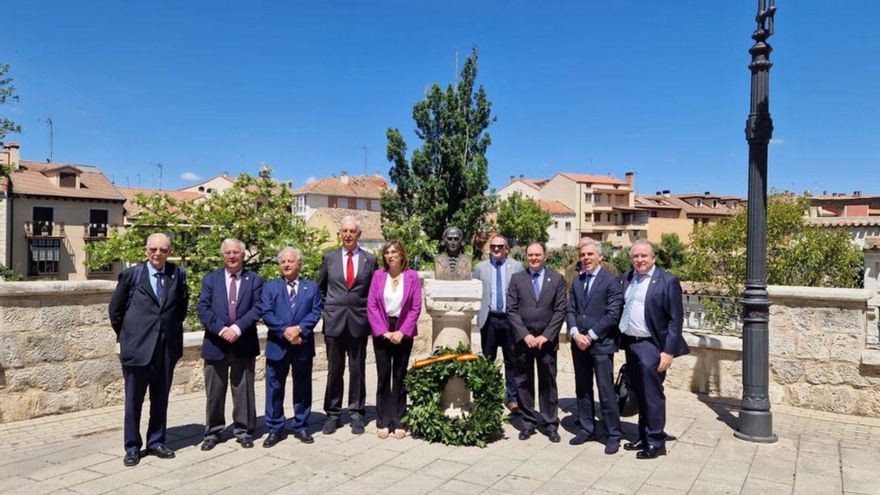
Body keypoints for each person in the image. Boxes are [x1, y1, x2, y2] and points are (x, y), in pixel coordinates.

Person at [108, 233, 189, 467]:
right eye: (153, 249)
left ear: (169, 252)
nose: (158, 254)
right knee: (133, 400)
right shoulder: (132, 275)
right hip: (137, 348)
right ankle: (132, 446)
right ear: (146, 250)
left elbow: (181, 309)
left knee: (160, 398)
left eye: (163, 250)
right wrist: (129, 337)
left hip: (165, 349)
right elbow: (116, 312)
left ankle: (156, 441)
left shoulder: (178, 274)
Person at [619, 239, 689, 459]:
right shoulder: (628, 278)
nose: (639, 260)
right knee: (638, 393)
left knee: (652, 395)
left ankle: (656, 441)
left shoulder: (667, 281)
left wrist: (668, 352)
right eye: (635, 257)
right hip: (631, 344)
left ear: (653, 258)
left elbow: (675, 320)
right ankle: (643, 436)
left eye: (643, 256)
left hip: (652, 346)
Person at [197, 238, 263, 451]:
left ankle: (243, 430)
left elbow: (257, 307)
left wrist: (237, 329)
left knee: (243, 389)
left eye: (236, 253)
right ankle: (213, 432)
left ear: (243, 256)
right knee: (214, 391)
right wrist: (221, 329)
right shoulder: (211, 280)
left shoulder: (253, 280)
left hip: (243, 342)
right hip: (216, 343)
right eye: (228, 253)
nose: (232, 256)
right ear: (222, 256)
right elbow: (203, 309)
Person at [317, 216, 377, 434]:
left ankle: (356, 413)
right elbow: (320, 289)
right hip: (334, 322)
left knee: (357, 369)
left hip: (359, 322)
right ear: (340, 234)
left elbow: (374, 292)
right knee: (334, 370)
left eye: (352, 231)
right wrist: (327, 310)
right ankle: (333, 413)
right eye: (345, 231)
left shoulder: (370, 260)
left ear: (359, 234)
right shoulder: (329, 258)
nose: (348, 235)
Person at [261, 247, 323, 447]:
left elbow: (315, 312)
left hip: (302, 345)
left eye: (290, 261)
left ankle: (301, 424)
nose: (286, 265)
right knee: (274, 387)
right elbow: (267, 313)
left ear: (299, 264)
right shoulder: (270, 287)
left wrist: (300, 329)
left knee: (303, 387)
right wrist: (286, 332)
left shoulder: (311, 287)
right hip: (278, 345)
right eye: (283, 262)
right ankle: (274, 428)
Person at [565, 240, 624, 453]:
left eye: (590, 254)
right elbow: (570, 309)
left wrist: (589, 335)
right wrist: (574, 333)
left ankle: (613, 434)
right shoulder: (578, 280)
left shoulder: (610, 282)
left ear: (600, 257)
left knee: (605, 390)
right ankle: (587, 428)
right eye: (583, 255)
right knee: (582, 388)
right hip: (579, 345)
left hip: (601, 345)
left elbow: (613, 314)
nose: (586, 258)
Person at [507, 242, 567, 442]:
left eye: (537, 255)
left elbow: (560, 309)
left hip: (546, 342)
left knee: (548, 382)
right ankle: (527, 422)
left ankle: (550, 423)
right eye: (530, 255)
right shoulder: (517, 279)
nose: (534, 258)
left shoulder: (557, 279)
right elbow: (512, 309)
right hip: (523, 341)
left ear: (545, 256)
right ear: (526, 256)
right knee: (523, 382)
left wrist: (546, 335)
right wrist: (525, 335)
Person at [366, 241, 422, 439]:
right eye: (387, 252)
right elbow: (371, 305)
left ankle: (399, 420)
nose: (390, 255)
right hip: (382, 329)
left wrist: (402, 331)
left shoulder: (412, 276)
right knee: (383, 375)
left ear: (402, 255)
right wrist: (383, 331)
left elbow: (416, 307)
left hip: (403, 329)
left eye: (394, 252)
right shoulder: (378, 276)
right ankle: (382, 420)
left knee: (399, 375)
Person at [473, 235, 524, 413]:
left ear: (506, 249)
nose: (496, 249)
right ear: (489, 248)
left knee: (512, 360)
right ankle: (489, 396)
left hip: (511, 320)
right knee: (488, 360)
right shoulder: (480, 268)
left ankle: (512, 399)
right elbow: (475, 293)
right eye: (493, 246)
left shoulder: (517, 266)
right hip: (489, 319)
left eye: (500, 247)